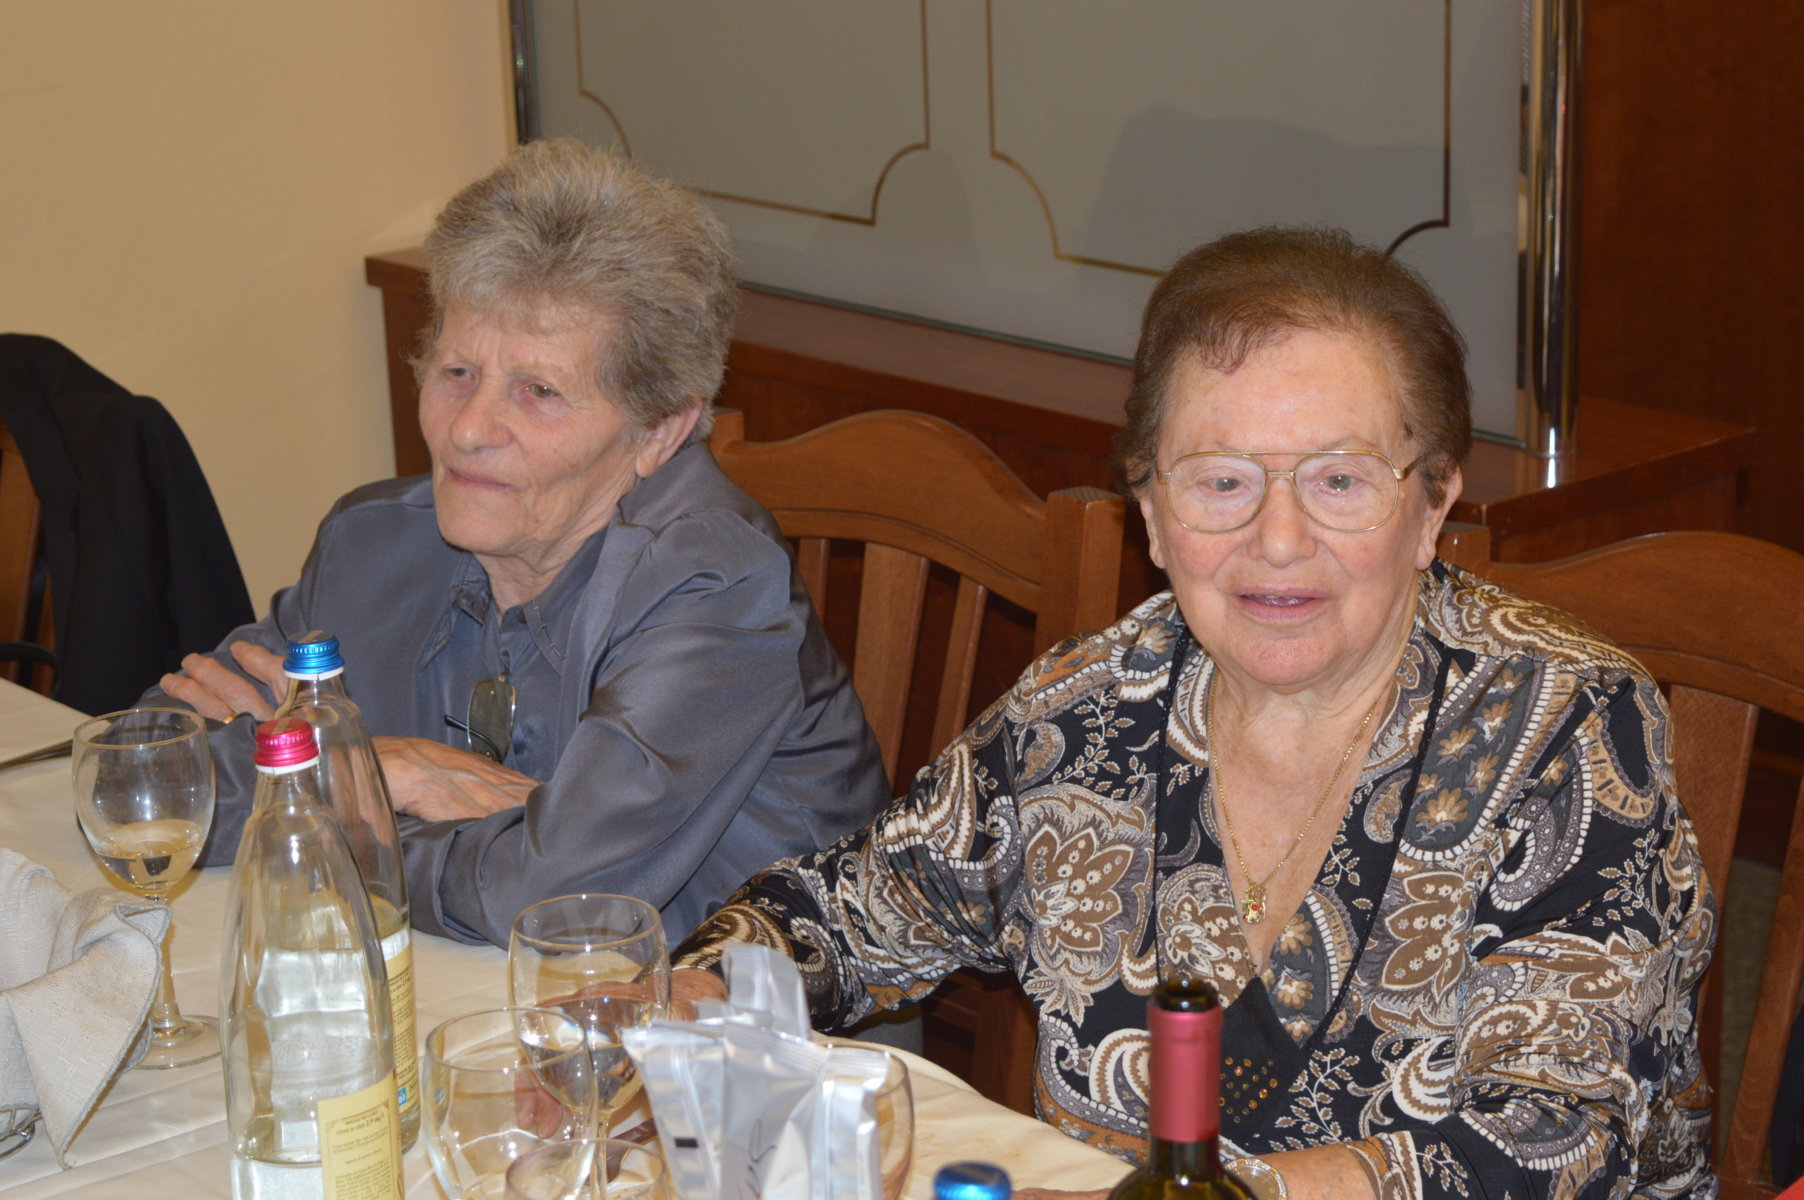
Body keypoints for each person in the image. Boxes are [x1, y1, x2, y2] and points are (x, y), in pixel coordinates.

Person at [668, 228, 1715, 1199]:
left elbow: (1550, 1142)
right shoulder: (1086, 714)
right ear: (1152, 515)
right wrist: (697, 999)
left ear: (1432, 502)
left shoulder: (1564, 725)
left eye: (1340, 481)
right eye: (1221, 483)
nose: (1278, 538)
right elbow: (838, 914)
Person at [154, 139, 889, 948]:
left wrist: (325, 788)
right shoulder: (373, 543)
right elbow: (160, 773)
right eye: (457, 372)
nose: (468, 429)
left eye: (538, 391)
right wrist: (375, 770)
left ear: (660, 429)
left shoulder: (716, 584)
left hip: (731, 1010)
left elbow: (544, 902)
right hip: (463, 986)